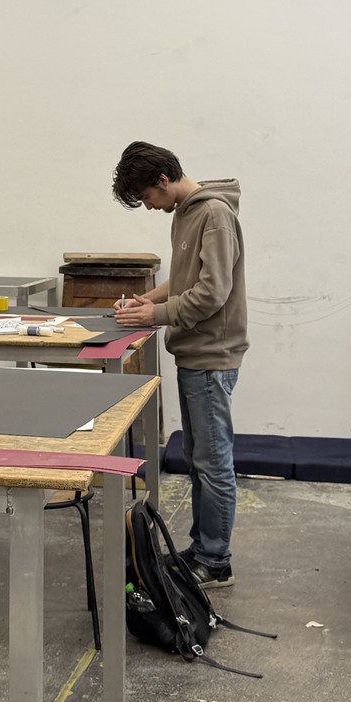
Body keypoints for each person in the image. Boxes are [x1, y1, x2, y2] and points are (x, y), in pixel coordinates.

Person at [111, 141, 248, 588]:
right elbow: (186, 279)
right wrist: (144, 301)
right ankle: (203, 548)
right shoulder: (186, 213)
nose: (150, 206)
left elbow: (213, 292)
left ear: (163, 180)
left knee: (213, 462)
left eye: (148, 197)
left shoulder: (215, 214)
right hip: (194, 353)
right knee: (198, 458)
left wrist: (157, 315)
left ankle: (217, 560)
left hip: (212, 355)